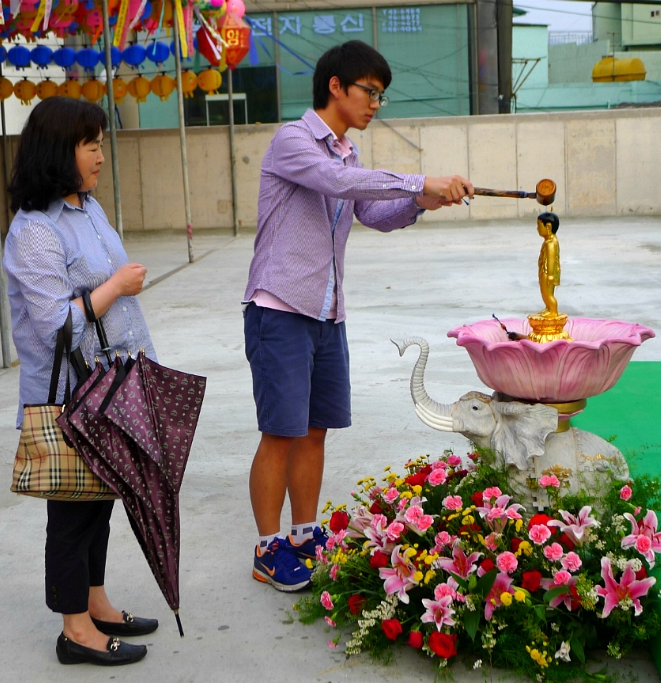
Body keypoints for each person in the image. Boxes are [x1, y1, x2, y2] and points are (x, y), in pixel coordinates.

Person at [242, 40, 475, 592]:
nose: (375, 104)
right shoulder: (293, 142)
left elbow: (373, 210)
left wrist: (421, 203)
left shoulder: (349, 154)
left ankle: (303, 532)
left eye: (380, 96)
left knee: (315, 430)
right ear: (336, 87)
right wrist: (420, 180)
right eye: (369, 92)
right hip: (280, 308)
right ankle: (267, 548)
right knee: (280, 431)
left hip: (327, 312)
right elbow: (338, 184)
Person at [4, 97, 158, 666]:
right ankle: (75, 631)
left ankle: (96, 601)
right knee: (72, 510)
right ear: (56, 151)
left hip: (113, 382)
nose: (100, 154)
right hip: (72, 393)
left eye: (100, 142)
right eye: (89, 144)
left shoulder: (87, 208)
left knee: (101, 500)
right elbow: (53, 325)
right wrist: (116, 285)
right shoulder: (35, 230)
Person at [536, 212, 561, 317]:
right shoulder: (548, 241)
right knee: (544, 292)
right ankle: (548, 307)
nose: (537, 229)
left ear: (548, 226)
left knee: (548, 293)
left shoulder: (551, 243)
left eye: (539, 226)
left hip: (547, 272)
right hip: (544, 270)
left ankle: (553, 310)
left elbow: (551, 259)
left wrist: (550, 275)